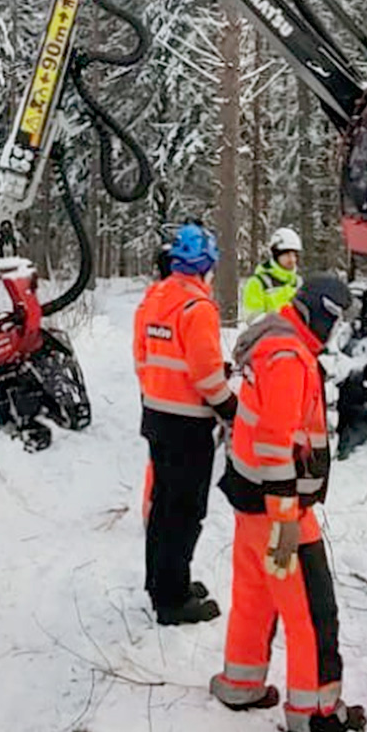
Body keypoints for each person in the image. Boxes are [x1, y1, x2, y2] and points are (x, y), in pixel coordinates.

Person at [210, 273, 367, 732]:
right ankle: (315, 713)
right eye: (335, 324)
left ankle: (240, 683)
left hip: (253, 505)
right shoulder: (287, 357)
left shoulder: (275, 342)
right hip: (280, 515)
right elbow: (276, 442)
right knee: (311, 611)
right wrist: (286, 516)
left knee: (257, 595)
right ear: (322, 314)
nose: (334, 335)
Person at [133, 222, 236, 626]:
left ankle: (161, 583)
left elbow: (147, 354)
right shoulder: (198, 308)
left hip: (156, 414)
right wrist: (230, 406)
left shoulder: (155, 298)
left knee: (162, 507)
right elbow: (207, 377)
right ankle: (174, 600)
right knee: (185, 512)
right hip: (188, 424)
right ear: (206, 265)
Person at [240, 227, 303, 320]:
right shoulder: (258, 283)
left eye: (294, 255)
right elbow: (253, 319)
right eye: (287, 254)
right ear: (276, 255)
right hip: (271, 333)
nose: (292, 259)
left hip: (297, 334)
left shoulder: (298, 283)